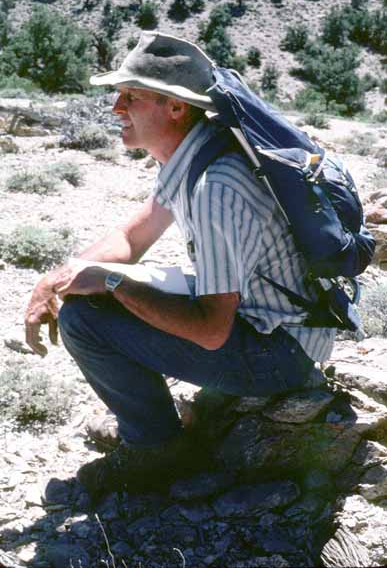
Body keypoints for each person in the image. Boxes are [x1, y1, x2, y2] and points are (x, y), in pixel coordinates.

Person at [25, 31, 335, 496]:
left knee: (86, 320)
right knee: (91, 296)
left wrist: (111, 283)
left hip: (282, 355)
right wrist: (56, 279)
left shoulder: (215, 186)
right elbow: (132, 236)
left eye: (131, 96)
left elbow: (210, 331)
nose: (116, 109)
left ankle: (157, 451)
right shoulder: (197, 156)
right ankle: (163, 433)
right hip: (276, 329)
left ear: (175, 107)